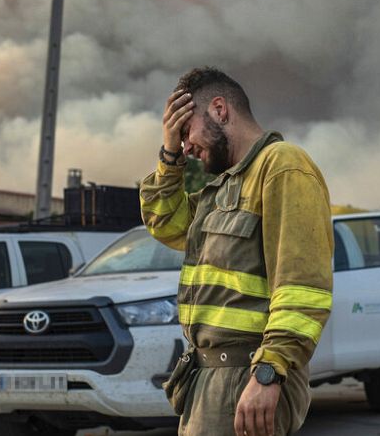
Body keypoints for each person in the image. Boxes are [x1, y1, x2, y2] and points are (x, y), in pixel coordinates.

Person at [139, 67, 333, 436]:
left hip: (247, 377)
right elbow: (164, 223)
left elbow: (302, 289)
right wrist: (168, 156)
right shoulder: (224, 188)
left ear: (219, 109)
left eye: (186, 131)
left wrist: (269, 372)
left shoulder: (282, 166)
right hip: (208, 380)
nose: (185, 147)